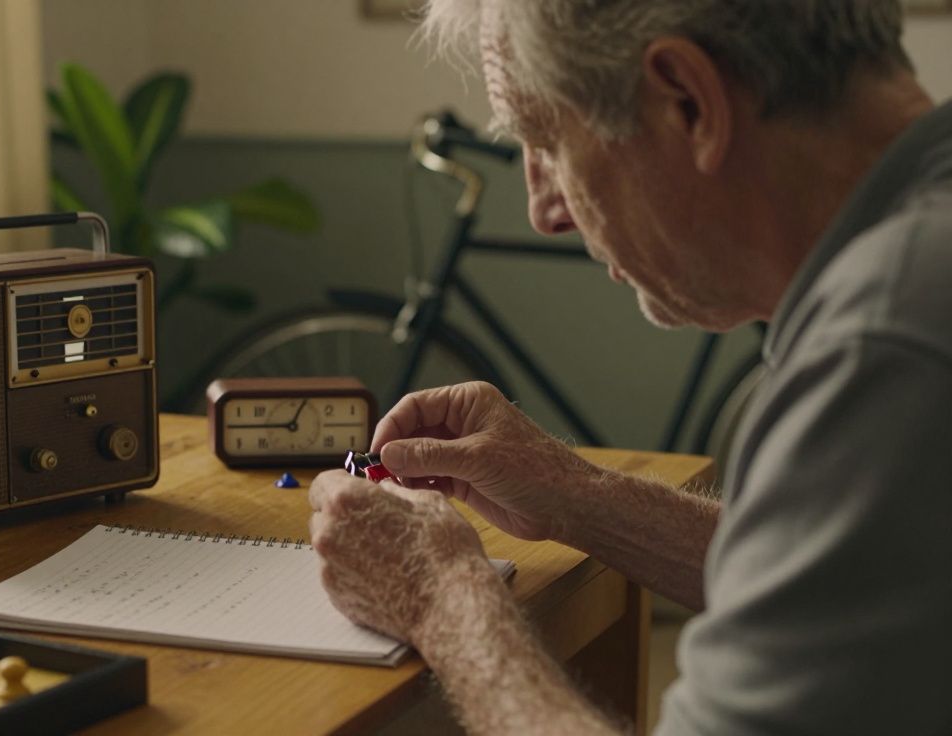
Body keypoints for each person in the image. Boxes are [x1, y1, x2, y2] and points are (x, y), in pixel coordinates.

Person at [307, 1, 951, 733]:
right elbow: (847, 584)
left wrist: (441, 593)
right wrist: (572, 491)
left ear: (685, 100)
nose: (545, 211)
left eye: (544, 139)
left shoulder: (886, 349)